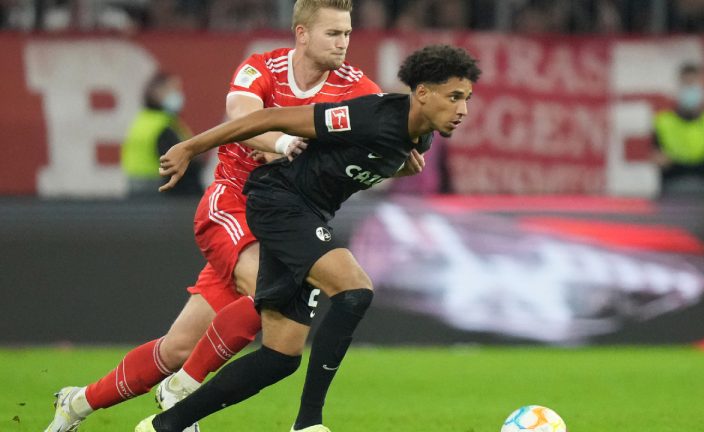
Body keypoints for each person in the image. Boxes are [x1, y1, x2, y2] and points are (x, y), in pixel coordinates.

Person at [44, 1, 383, 431]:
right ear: (301, 34)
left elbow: (388, 125)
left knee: (178, 348)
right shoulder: (261, 68)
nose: (343, 43)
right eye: (333, 33)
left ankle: (76, 404)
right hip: (233, 204)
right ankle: (182, 389)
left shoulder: (356, 86)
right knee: (272, 290)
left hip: (287, 217)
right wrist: (279, 143)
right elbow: (242, 115)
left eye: (347, 33)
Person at [135, 43, 481, 432]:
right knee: (355, 290)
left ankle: (164, 425)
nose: (463, 110)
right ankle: (308, 424)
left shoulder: (420, 139)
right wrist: (190, 146)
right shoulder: (371, 116)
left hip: (306, 213)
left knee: (281, 356)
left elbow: (353, 163)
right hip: (278, 203)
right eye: (454, 97)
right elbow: (270, 117)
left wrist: (399, 170)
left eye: (466, 99)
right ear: (422, 93)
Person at [651, 62, 704, 198]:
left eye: (694, 84)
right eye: (686, 84)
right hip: (672, 191)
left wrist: (674, 163)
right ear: (678, 87)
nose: (690, 89)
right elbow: (661, 166)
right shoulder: (663, 122)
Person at [122, 72, 203, 198]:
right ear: (157, 92)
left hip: (137, 192)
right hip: (158, 193)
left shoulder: (142, 121)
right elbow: (179, 165)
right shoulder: (162, 126)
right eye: (173, 90)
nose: (178, 95)